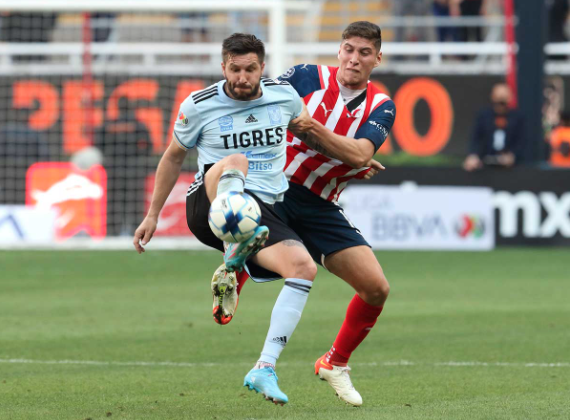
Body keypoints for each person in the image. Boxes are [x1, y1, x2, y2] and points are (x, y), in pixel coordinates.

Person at [214, 21, 396, 407]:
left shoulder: (382, 105)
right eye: (349, 49)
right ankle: (233, 271)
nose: (354, 58)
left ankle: (335, 363)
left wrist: (315, 132)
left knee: (376, 288)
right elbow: (263, 110)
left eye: (364, 52)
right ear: (339, 51)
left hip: (320, 204)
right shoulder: (306, 76)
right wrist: (345, 153)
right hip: (276, 186)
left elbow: (359, 153)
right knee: (284, 255)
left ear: (377, 59)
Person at [133, 33, 318, 405]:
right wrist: (152, 214)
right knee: (236, 161)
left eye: (250, 69)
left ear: (262, 68)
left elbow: (311, 133)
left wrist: (355, 159)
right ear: (223, 68)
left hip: (262, 210)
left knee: (303, 268)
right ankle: (234, 244)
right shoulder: (199, 104)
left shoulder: (284, 96)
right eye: (235, 69)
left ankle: (264, 367)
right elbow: (173, 157)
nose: (242, 77)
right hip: (208, 203)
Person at [463, 83, 526, 171]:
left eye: (503, 102)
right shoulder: (483, 117)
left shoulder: (517, 118)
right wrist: (473, 155)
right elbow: (476, 138)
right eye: (498, 101)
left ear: (510, 98)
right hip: (485, 164)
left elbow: (521, 141)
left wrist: (512, 155)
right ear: (492, 97)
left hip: (511, 167)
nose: (500, 105)